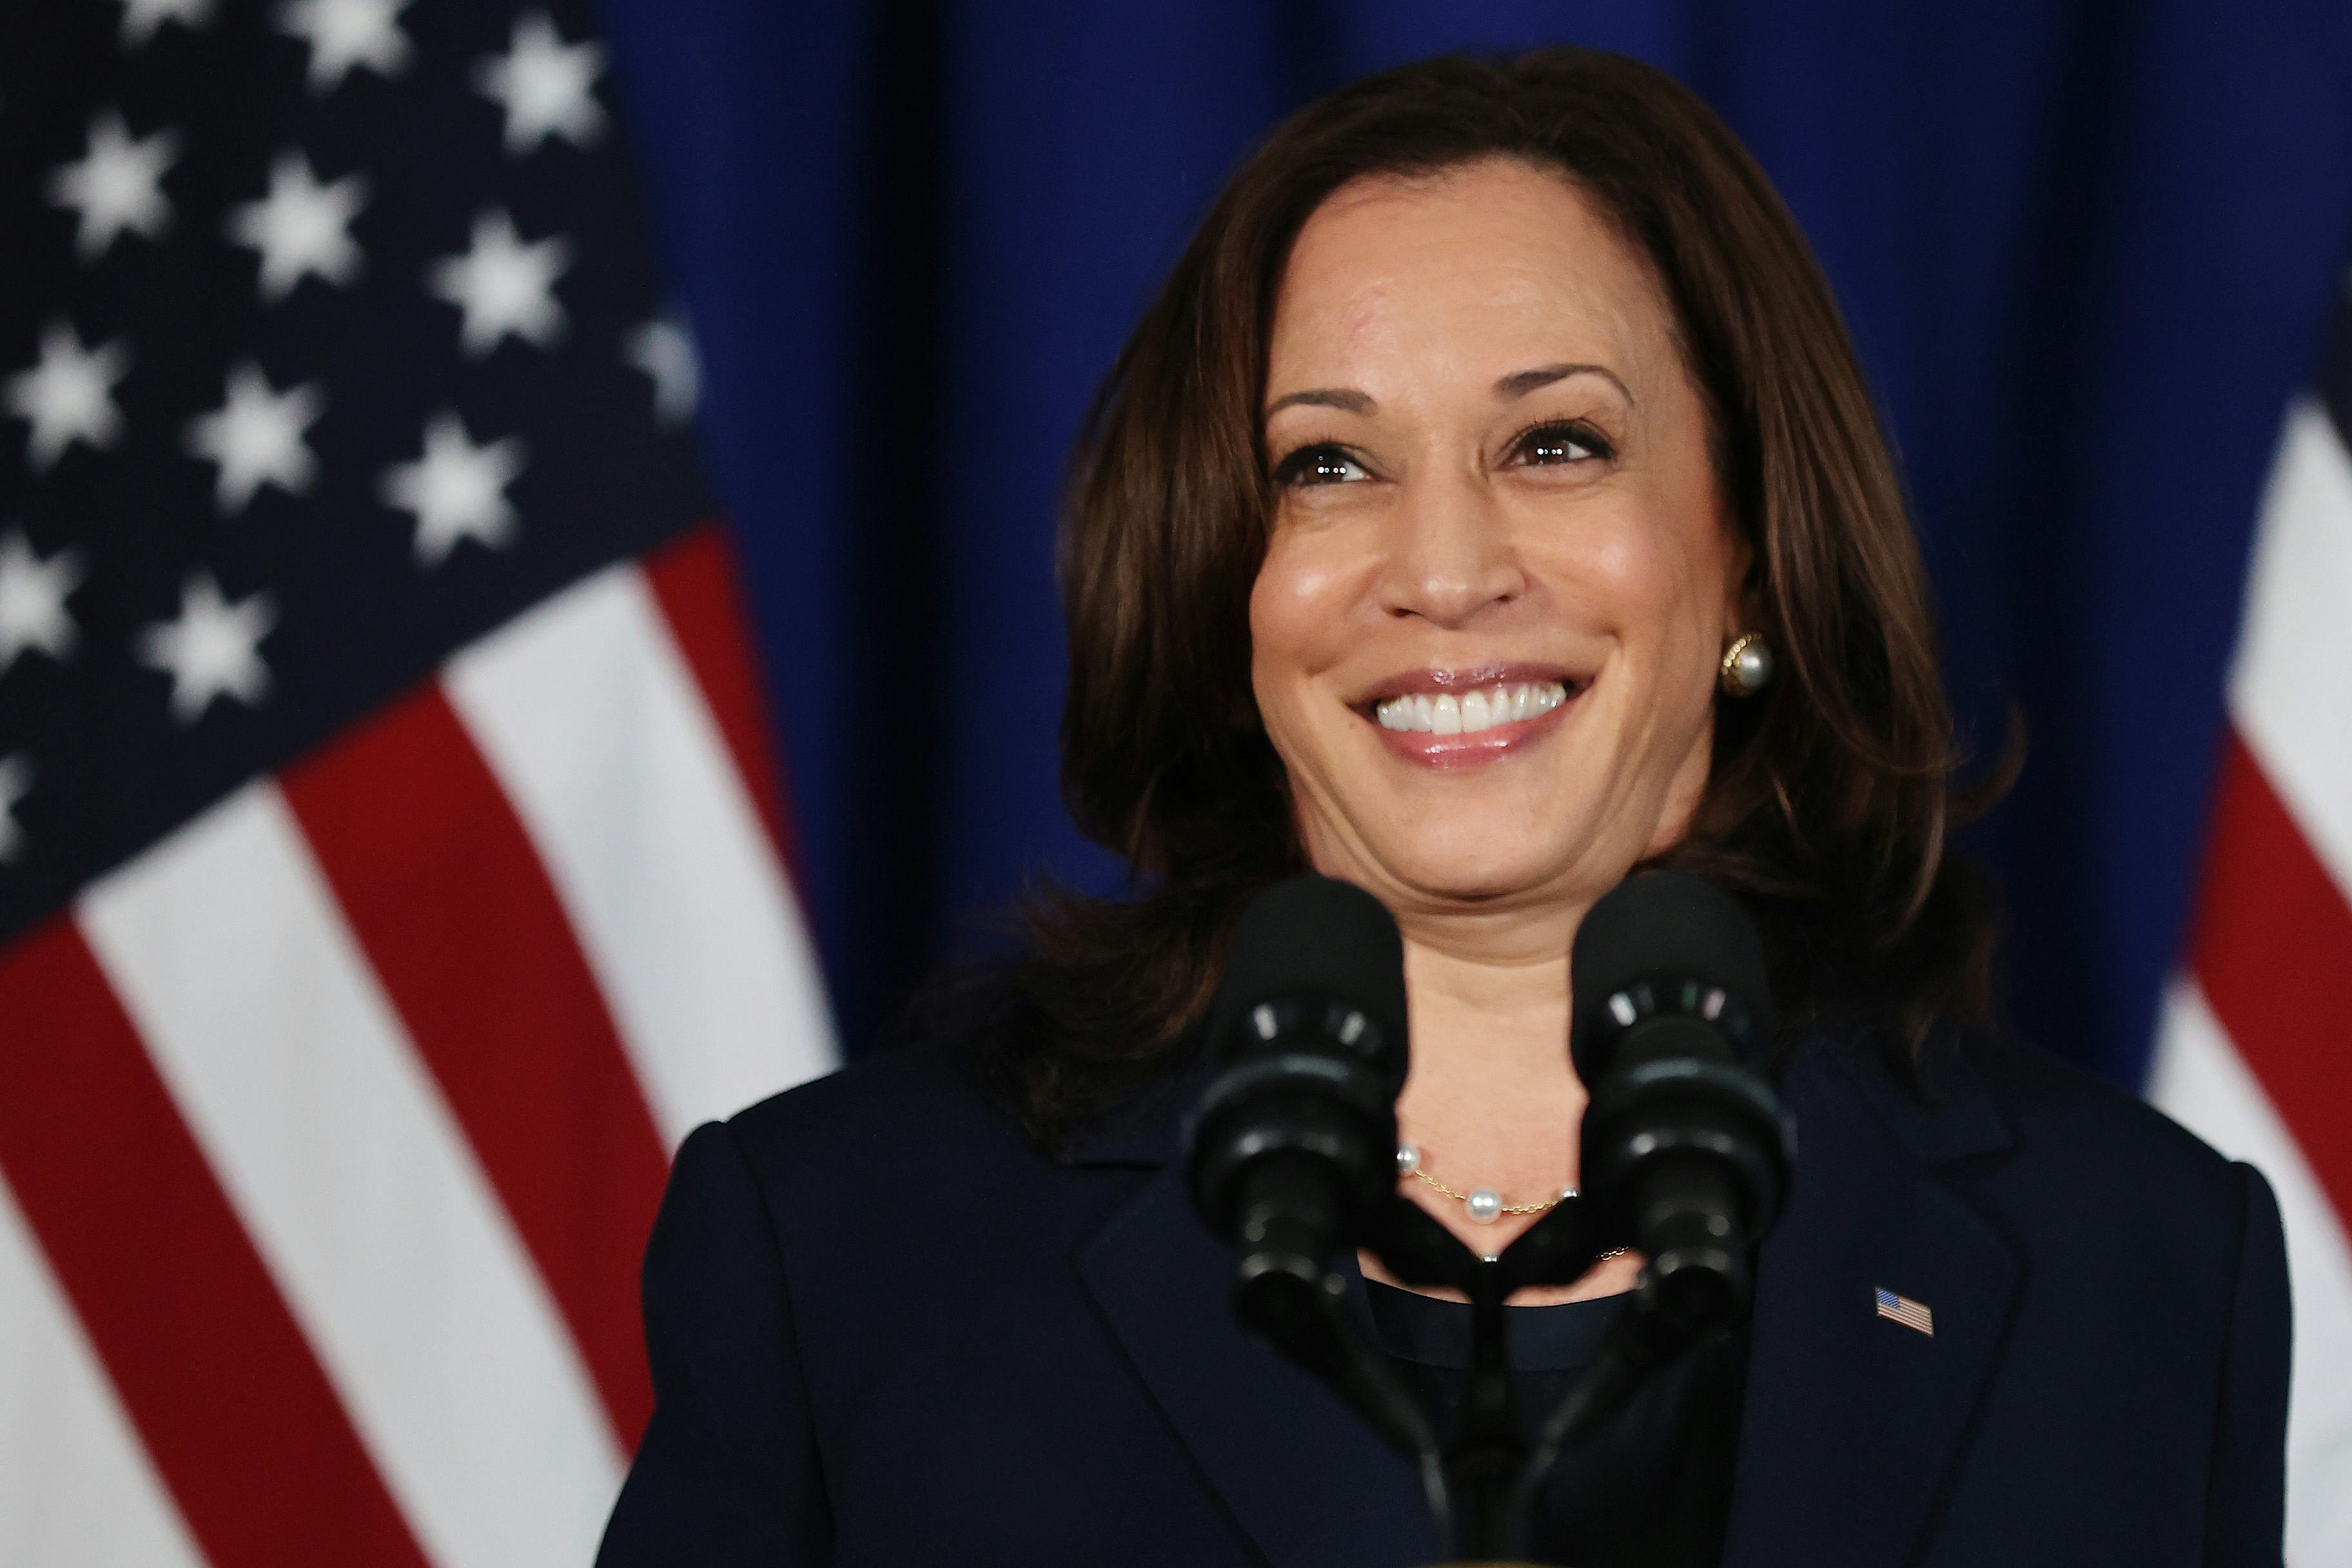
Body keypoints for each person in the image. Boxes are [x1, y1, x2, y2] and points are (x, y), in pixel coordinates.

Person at [596, 46, 2288, 1568]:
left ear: (1753, 555)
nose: (1448, 568)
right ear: (1229, 591)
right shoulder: (843, 1254)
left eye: (1556, 444)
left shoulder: (2140, 1268)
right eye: (1329, 465)